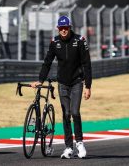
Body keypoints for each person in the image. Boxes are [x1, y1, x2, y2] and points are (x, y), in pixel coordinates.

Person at [31, 15, 92, 159]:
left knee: (75, 112)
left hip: (77, 82)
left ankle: (80, 143)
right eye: (61, 28)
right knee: (66, 114)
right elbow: (47, 62)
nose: (63, 31)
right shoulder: (54, 42)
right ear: (58, 29)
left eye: (66, 28)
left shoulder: (80, 41)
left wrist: (88, 86)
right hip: (63, 83)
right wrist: (41, 80)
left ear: (70, 28)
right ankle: (68, 147)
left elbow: (87, 64)